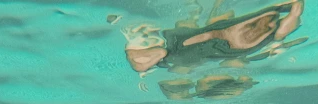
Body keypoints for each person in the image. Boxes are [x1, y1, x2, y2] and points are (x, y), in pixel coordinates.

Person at [123, 0, 306, 74]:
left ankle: (146, 61)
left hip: (213, 46)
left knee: (158, 56)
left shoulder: (273, 31)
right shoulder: (273, 26)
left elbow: (295, 8)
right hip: (210, 42)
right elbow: (295, 7)